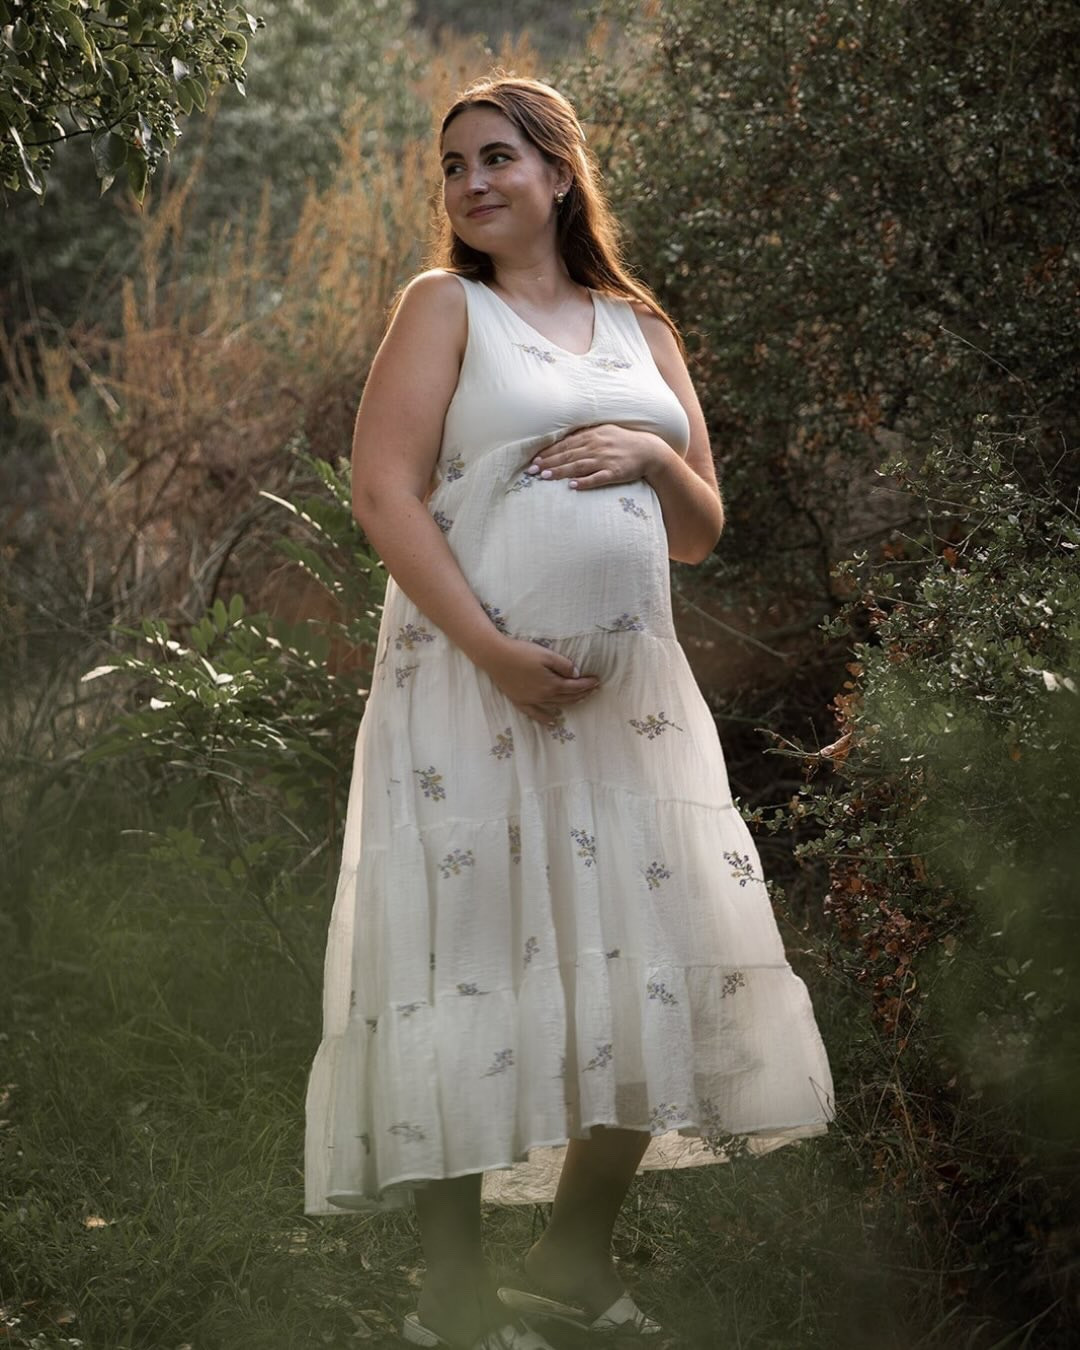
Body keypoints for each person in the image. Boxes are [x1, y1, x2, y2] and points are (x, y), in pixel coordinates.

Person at [304, 75, 835, 1350]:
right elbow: (384, 497)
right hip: (476, 691)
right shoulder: (446, 309)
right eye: (452, 168)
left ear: (557, 171)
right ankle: (450, 1288)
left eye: (497, 158)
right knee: (466, 963)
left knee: (658, 961)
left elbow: (702, 531)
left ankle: (573, 1260)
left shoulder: (639, 327)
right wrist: (491, 650)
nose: (472, 183)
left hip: (631, 704)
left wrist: (651, 455)